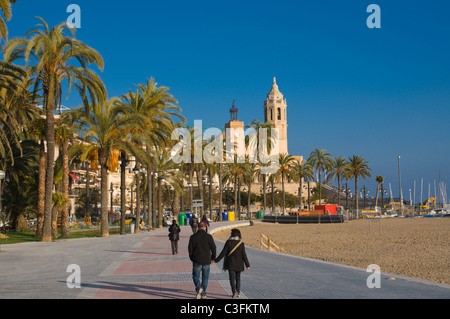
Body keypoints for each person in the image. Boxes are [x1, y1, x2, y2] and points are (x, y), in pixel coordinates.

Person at [214, 228, 250, 299]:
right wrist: (247, 265)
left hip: (230, 264)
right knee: (238, 278)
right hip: (239, 264)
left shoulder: (228, 242)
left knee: (232, 279)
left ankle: (234, 292)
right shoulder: (241, 243)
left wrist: (216, 260)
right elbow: (244, 255)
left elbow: (223, 253)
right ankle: (238, 292)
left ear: (232, 234)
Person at [188, 222, 216, 299]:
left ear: (198, 228)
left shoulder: (193, 237)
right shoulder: (209, 237)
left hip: (196, 260)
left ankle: (198, 288)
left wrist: (191, 258)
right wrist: (213, 258)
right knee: (205, 277)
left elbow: (190, 249)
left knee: (195, 276)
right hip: (207, 260)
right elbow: (214, 248)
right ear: (205, 228)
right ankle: (203, 294)